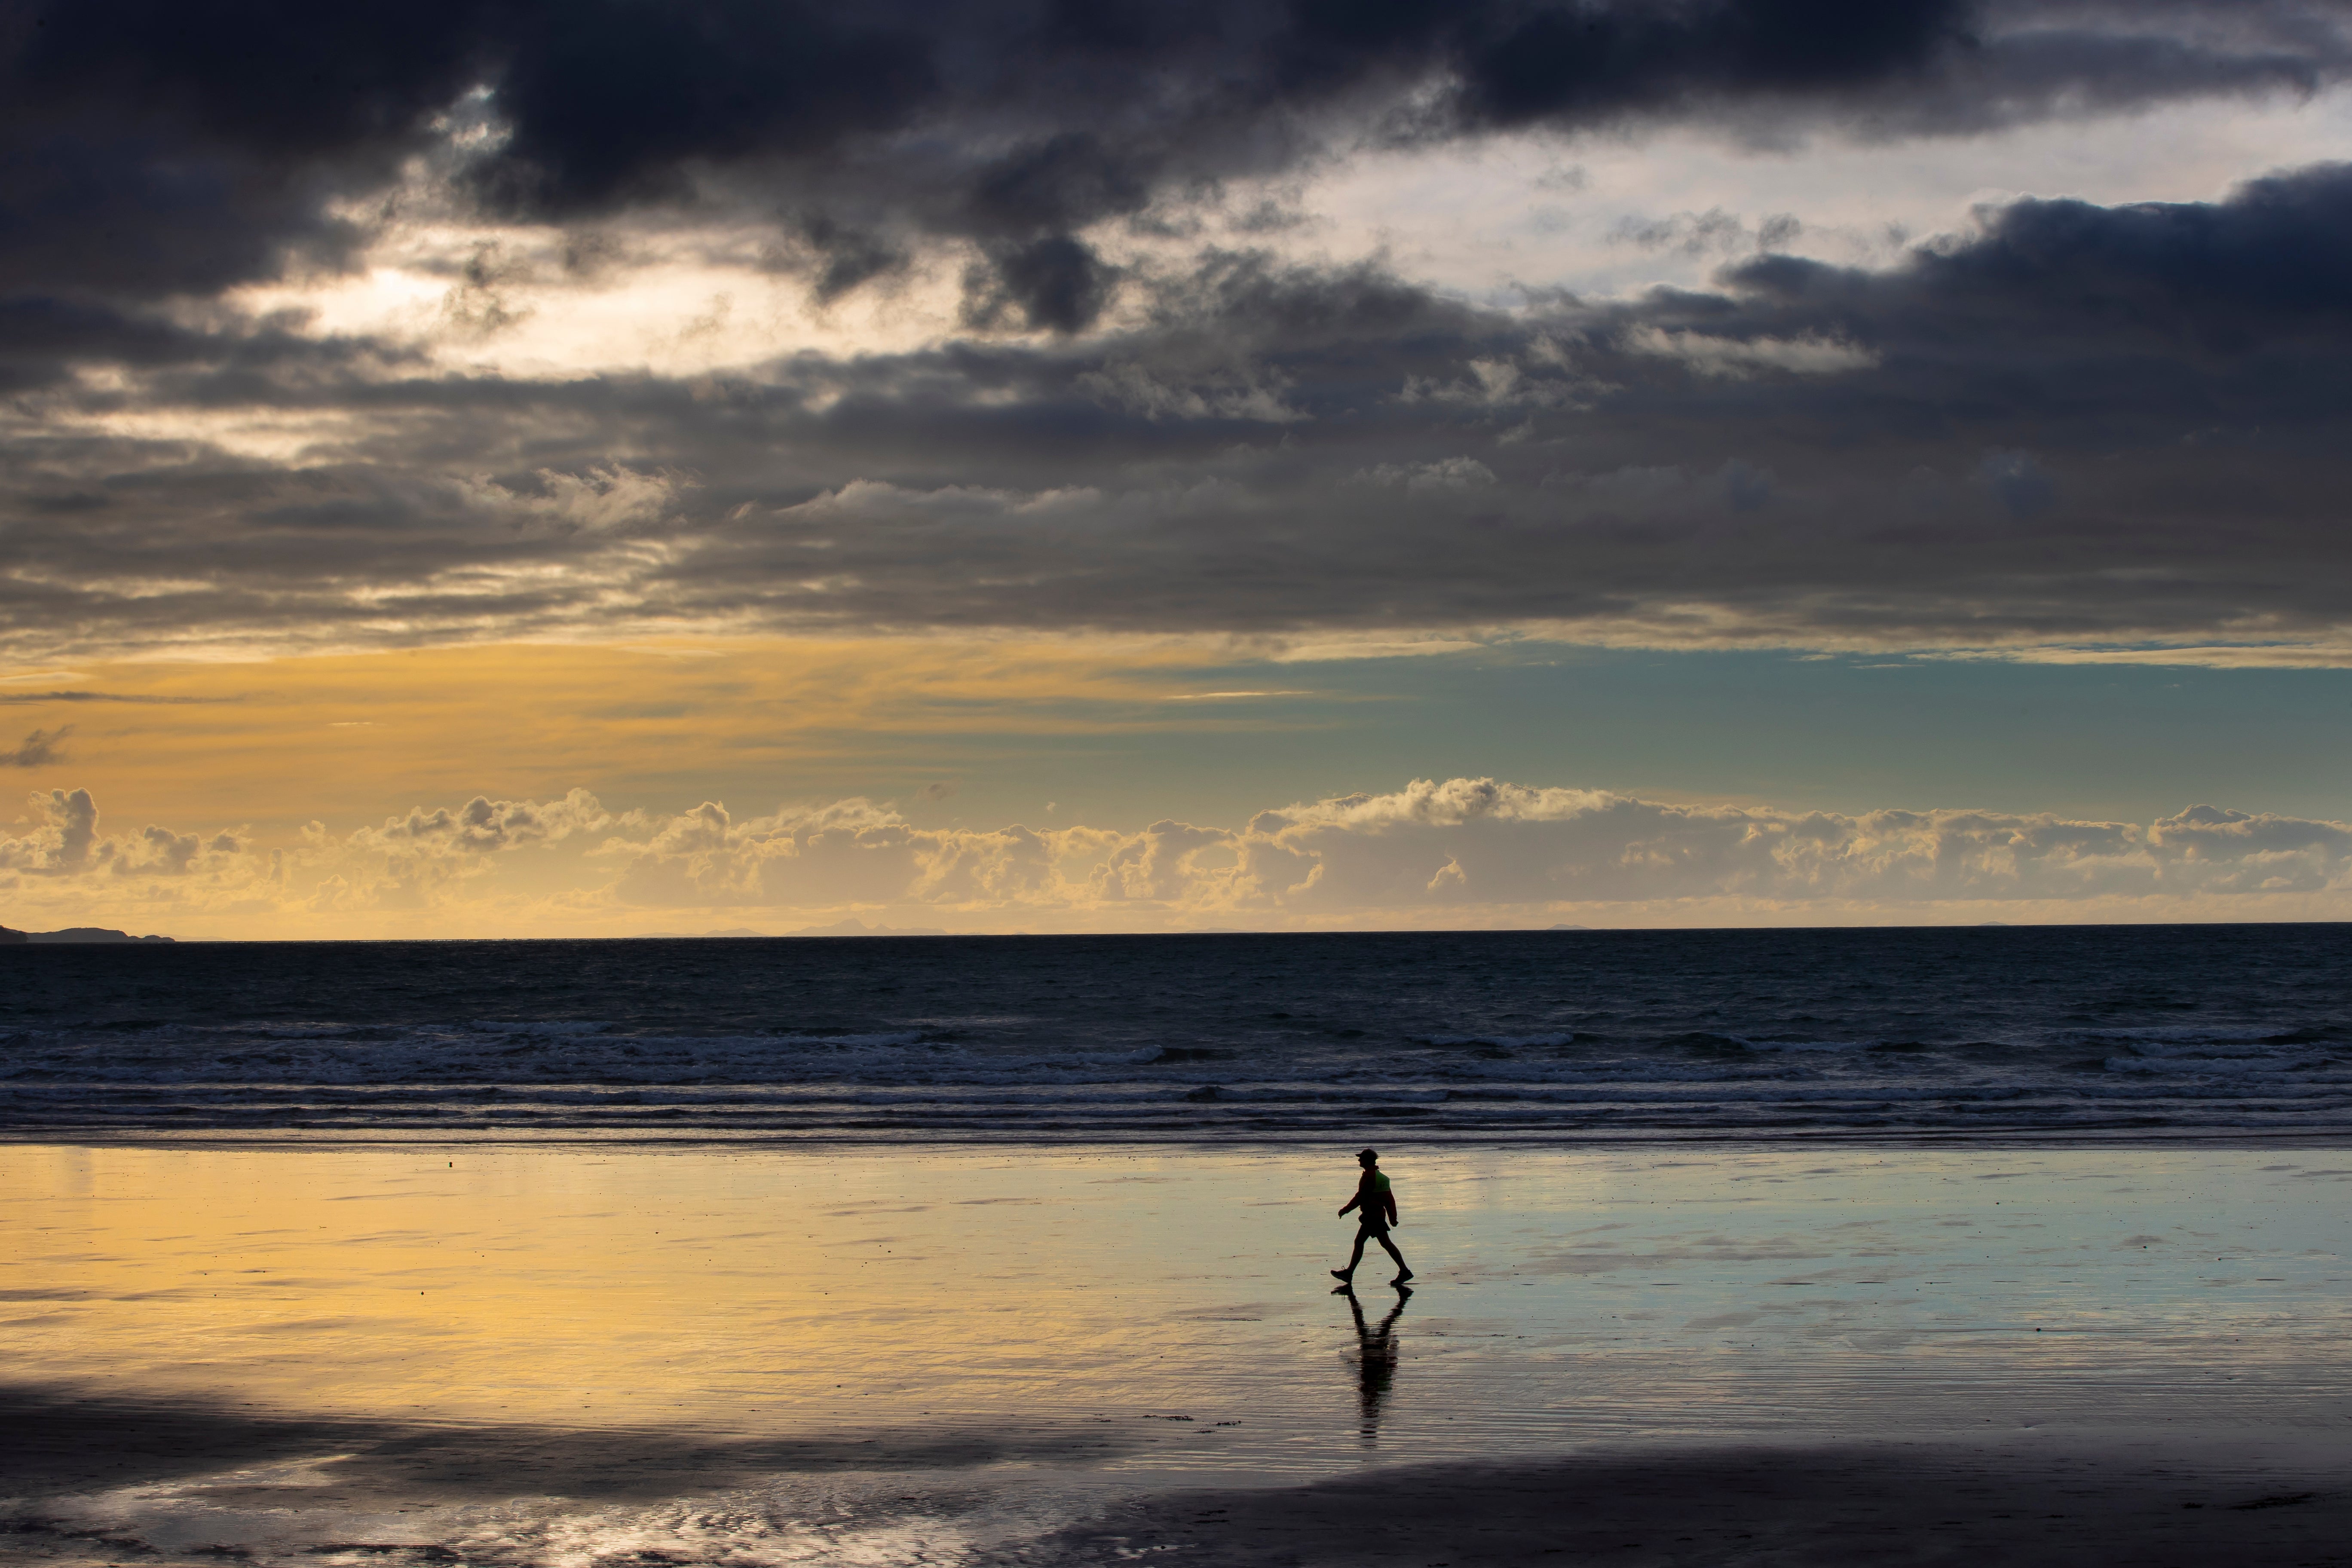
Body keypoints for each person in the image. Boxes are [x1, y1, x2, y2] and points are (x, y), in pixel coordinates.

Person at [1330, 1147, 1412, 1287]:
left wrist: (1345, 1210)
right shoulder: (1381, 1177)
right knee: (1380, 1243)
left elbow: (1360, 1197)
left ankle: (1349, 1273)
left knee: (1363, 1242)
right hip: (1377, 1216)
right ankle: (1404, 1271)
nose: (1359, 1160)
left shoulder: (1369, 1177)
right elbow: (1390, 1200)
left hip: (1372, 1217)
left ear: (1367, 1160)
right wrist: (1393, 1218)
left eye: (1361, 1158)